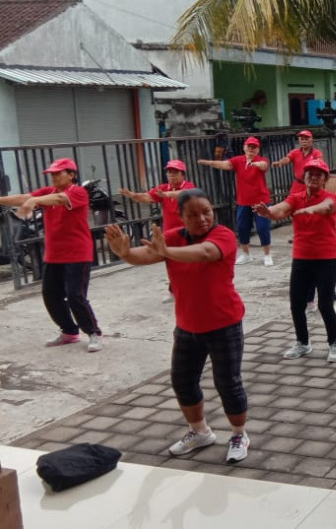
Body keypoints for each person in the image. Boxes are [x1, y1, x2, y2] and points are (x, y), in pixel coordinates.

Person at [104, 189, 251, 463]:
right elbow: (143, 255)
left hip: (224, 323)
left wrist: (167, 251)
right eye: (193, 215)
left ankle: (239, 434)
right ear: (181, 218)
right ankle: (200, 432)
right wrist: (125, 253)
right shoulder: (172, 238)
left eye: (206, 212)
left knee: (227, 382)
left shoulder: (223, 236)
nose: (202, 219)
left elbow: (205, 253)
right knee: (182, 381)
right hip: (187, 325)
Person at [0, 158, 104, 352]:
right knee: (51, 295)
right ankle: (69, 332)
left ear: (71, 174)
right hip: (54, 254)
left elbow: (60, 200)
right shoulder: (48, 192)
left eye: (58, 173)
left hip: (77, 253)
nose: (54, 177)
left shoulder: (78, 192)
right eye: (52, 174)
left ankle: (93, 333)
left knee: (75, 296)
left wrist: (34, 201)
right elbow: (24, 198)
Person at [255, 159, 336, 362]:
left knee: (325, 304)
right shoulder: (296, 198)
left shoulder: (331, 197)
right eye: (310, 174)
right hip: (302, 257)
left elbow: (327, 206)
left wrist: (310, 209)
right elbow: (282, 208)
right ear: (304, 177)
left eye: (318, 174)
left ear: (324, 179)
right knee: (296, 304)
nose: (313, 177)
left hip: (326, 258)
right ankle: (303, 343)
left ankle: (335, 343)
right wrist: (269, 212)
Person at [119, 159, 197, 303]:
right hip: (169, 233)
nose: (172, 175)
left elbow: (185, 194)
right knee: (171, 263)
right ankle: (174, 291)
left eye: (175, 172)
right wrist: (132, 195)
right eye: (169, 172)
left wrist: (167, 195)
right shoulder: (163, 188)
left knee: (190, 262)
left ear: (182, 174)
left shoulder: (189, 187)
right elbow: (147, 197)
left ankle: (191, 289)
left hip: (188, 232)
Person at [197, 137, 273, 266]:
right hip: (243, 201)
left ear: (258, 149)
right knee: (242, 227)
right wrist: (209, 163)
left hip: (261, 201)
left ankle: (267, 254)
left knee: (262, 228)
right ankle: (246, 254)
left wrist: (256, 164)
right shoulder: (238, 161)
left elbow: (264, 166)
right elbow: (225, 165)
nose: (251, 149)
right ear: (244, 147)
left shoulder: (262, 160)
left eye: (254, 147)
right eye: (249, 146)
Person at [272, 130, 324, 195]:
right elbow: (287, 159)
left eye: (307, 139)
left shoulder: (316, 153)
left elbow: (320, 163)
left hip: (312, 184)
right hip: (298, 184)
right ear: (299, 141)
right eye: (302, 139)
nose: (304, 141)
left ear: (312, 140)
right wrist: (280, 162)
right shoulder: (295, 152)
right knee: (292, 201)